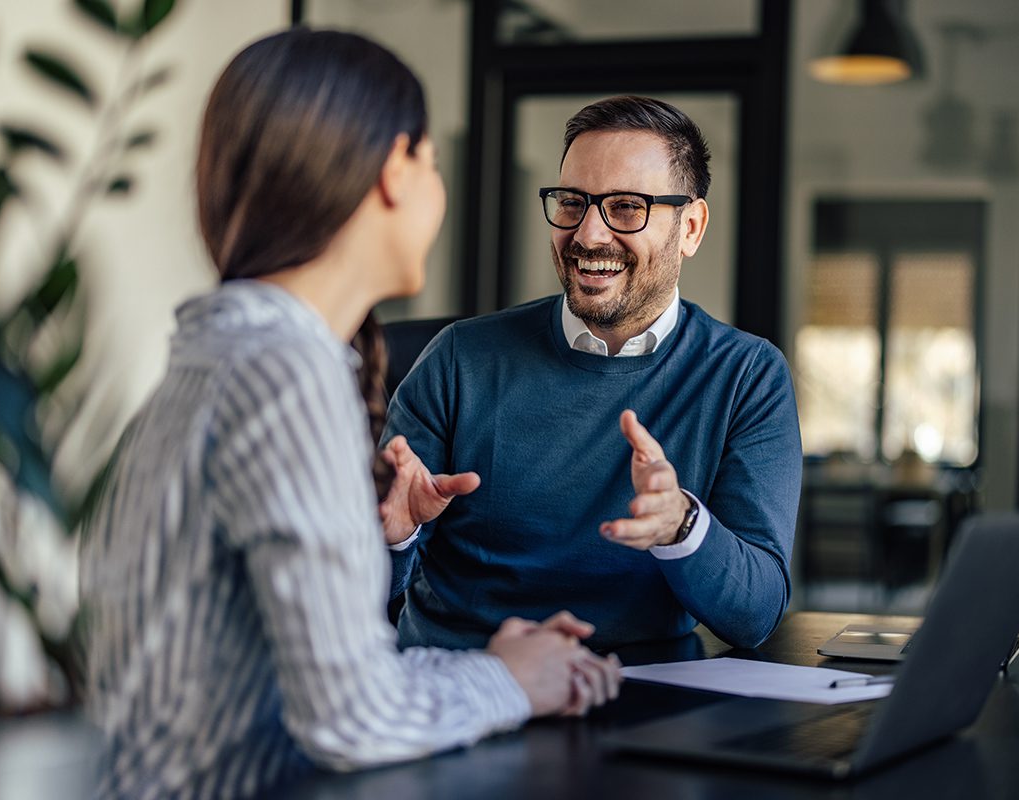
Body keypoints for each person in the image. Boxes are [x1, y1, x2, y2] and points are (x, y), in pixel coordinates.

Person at [78, 29, 620, 800]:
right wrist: (506, 681)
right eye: (432, 164)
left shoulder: (219, 356)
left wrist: (491, 664)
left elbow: (294, 678)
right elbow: (349, 719)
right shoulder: (283, 375)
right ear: (396, 171)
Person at [383, 96, 803, 653]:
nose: (588, 235)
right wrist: (391, 539)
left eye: (626, 207)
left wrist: (682, 527)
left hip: (647, 702)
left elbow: (755, 616)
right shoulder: (460, 358)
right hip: (469, 691)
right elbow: (354, 600)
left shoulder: (747, 375)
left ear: (691, 228)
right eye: (573, 203)